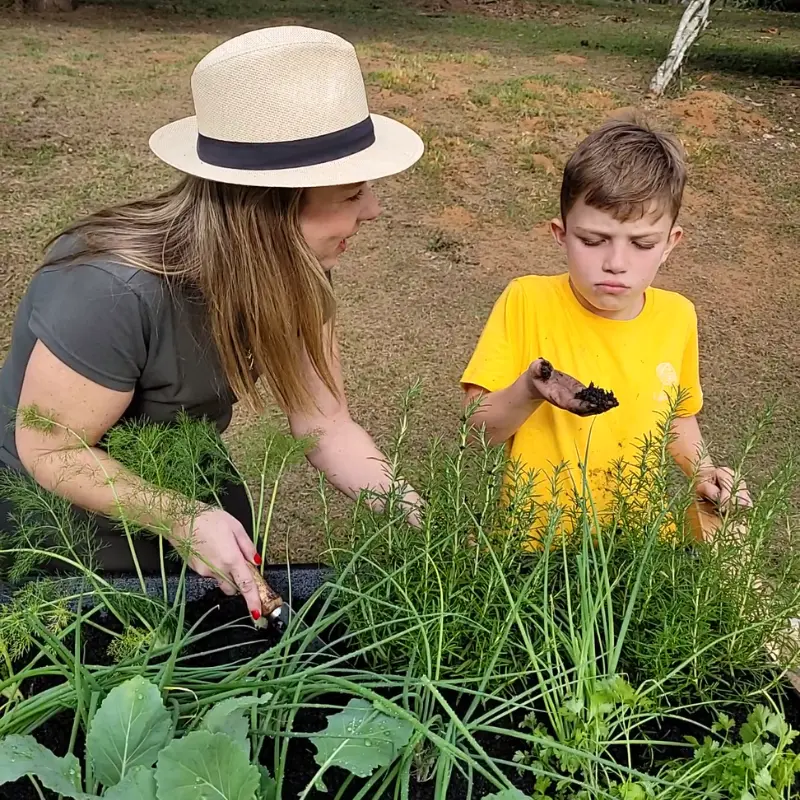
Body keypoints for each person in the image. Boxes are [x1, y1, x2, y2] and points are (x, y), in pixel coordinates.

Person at [0, 26, 424, 619]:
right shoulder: (109, 288)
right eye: (353, 195)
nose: (374, 210)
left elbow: (325, 423)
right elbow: (52, 448)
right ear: (269, 210)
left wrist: (413, 514)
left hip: (188, 474)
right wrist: (179, 517)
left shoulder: (298, 268)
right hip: (59, 523)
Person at [460, 116, 751, 537]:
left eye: (642, 243)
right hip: (537, 549)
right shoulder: (526, 300)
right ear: (561, 234)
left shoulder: (677, 315)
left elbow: (676, 417)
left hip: (639, 549)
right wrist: (528, 390)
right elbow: (478, 431)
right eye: (593, 240)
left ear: (671, 243)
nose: (615, 263)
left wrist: (703, 471)